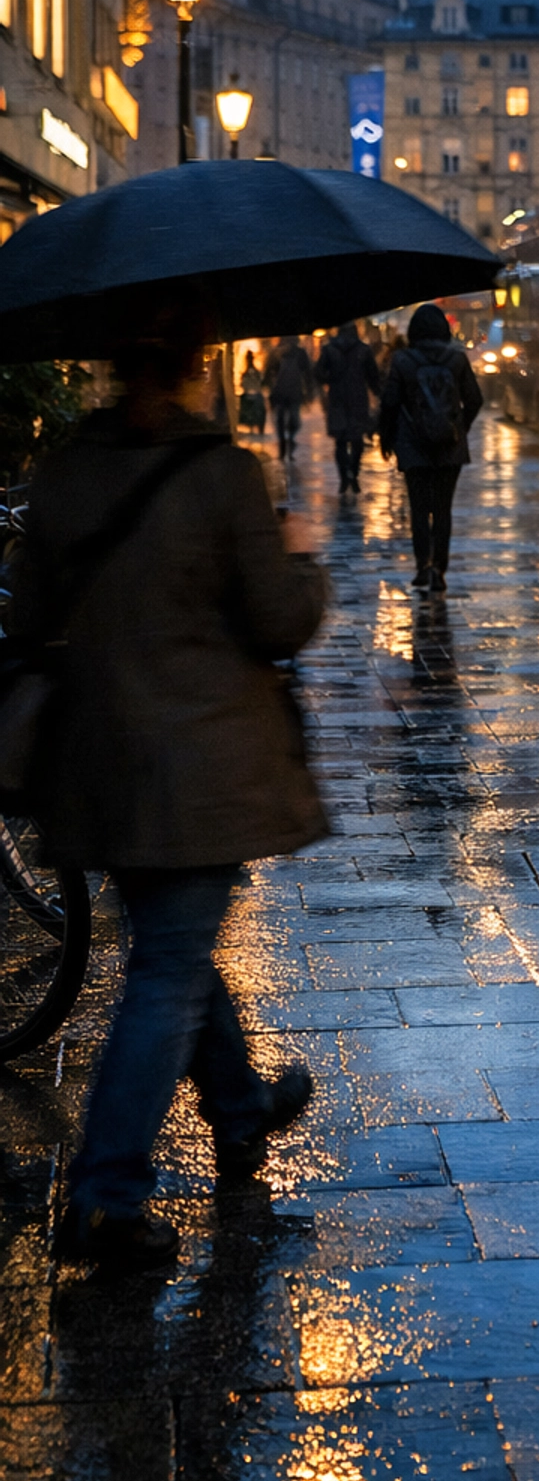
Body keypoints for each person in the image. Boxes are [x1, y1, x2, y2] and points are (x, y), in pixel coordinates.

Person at [9, 299, 330, 1270]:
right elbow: (280, 621)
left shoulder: (63, 476)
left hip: (96, 760)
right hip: (196, 766)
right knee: (165, 969)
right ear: (197, 363)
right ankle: (107, 1194)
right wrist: (302, 554)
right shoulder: (223, 477)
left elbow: (26, 618)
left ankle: (239, 1112)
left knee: (171, 943)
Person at [378, 303, 482, 590]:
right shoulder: (458, 360)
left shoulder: (403, 361)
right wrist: (459, 428)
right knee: (443, 509)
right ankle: (440, 569)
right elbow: (475, 399)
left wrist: (386, 438)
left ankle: (422, 565)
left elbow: (389, 403)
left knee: (420, 508)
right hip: (451, 447)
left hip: (413, 446)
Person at [315, 320, 381, 496]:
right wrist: (381, 395)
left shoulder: (329, 350)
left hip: (337, 399)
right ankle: (354, 474)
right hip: (358, 399)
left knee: (340, 442)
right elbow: (373, 377)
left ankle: (344, 478)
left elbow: (319, 373)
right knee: (357, 440)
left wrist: (331, 378)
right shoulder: (364, 350)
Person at [264, 335, 314, 460]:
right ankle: (290, 442)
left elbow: (267, 374)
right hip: (294, 393)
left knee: (280, 420)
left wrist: (268, 388)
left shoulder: (275, 353)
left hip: (279, 393)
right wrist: (309, 392)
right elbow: (307, 374)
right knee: (293, 420)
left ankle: (283, 446)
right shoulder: (300, 353)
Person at [237, 350, 267, 435]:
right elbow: (261, 382)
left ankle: (250, 424)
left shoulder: (247, 373)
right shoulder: (255, 372)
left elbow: (243, 384)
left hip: (252, 395)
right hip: (254, 394)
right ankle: (255, 424)